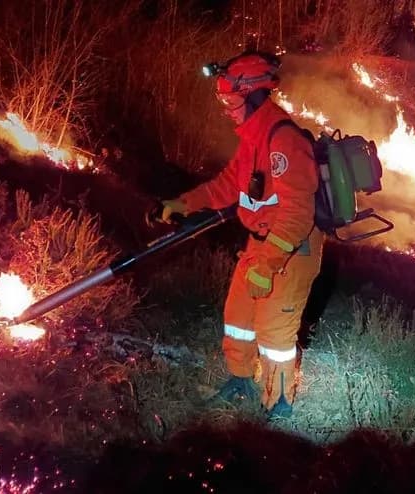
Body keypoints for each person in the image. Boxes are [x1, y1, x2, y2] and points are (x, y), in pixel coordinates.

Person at [155, 50, 323, 418]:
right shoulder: (252, 136)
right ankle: (240, 380)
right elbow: (230, 184)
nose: (225, 107)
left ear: (254, 95)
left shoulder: (283, 140)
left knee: (274, 331)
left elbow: (297, 212)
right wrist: (187, 202)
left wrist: (269, 263)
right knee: (238, 315)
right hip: (260, 242)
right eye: (222, 99)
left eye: (230, 100)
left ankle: (279, 404)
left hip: (291, 249)